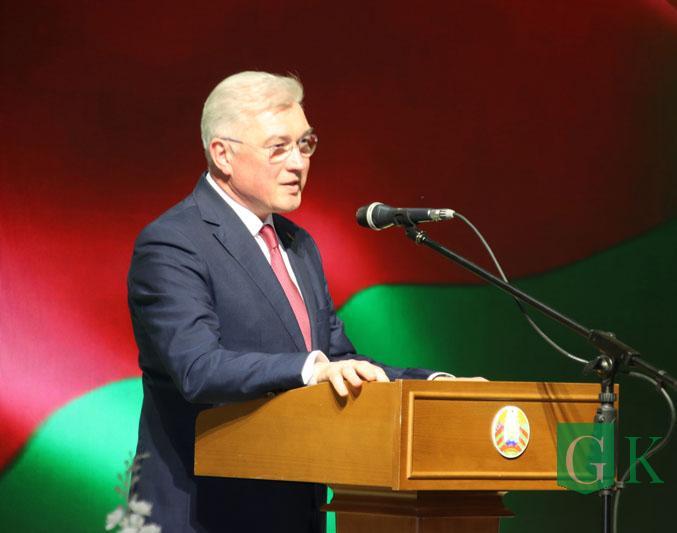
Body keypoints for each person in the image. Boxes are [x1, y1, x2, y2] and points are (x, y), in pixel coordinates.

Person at [127, 71, 451, 533]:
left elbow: (338, 360)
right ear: (223, 154)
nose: (298, 163)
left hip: (296, 510)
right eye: (278, 147)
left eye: (305, 144)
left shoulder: (298, 244)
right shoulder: (174, 242)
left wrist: (429, 386)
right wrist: (310, 369)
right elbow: (198, 369)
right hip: (204, 513)